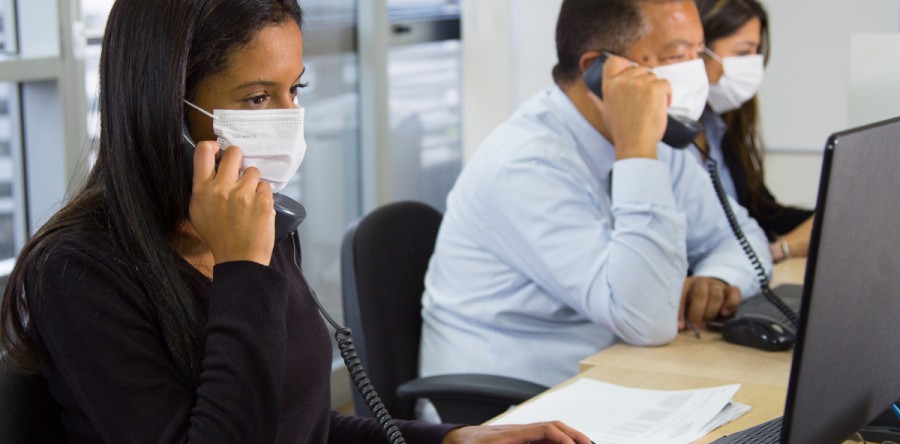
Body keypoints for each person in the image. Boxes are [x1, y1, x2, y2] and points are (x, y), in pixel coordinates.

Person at [0, 1, 592, 442]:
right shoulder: (79, 273)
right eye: (258, 98)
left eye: (295, 89)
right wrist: (243, 270)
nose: (291, 117)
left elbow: (302, 425)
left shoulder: (257, 219)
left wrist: (451, 438)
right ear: (167, 111)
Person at [419, 0, 773, 391]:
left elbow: (745, 237)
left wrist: (718, 276)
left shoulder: (655, 139)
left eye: (697, 52)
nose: (697, 71)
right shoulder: (526, 166)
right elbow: (646, 320)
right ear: (597, 71)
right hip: (513, 408)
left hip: (611, 378)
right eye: (676, 56)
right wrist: (636, 149)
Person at [694, 0, 814, 261]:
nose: (753, 65)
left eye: (756, 51)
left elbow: (762, 213)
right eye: (743, 52)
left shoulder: (720, 126)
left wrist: (831, 218)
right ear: (697, 51)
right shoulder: (666, 135)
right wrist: (778, 250)